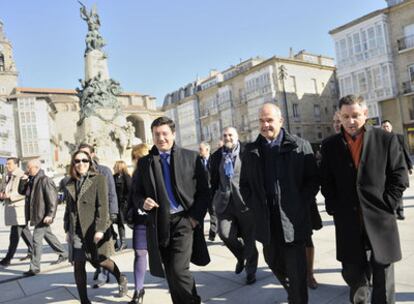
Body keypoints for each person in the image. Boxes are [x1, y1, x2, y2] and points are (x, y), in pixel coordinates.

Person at [320, 95, 408, 304]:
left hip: (380, 222)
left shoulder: (385, 139)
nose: (351, 121)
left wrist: (388, 204)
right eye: (346, 116)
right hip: (348, 224)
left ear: (365, 114)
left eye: (356, 115)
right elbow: (326, 181)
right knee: (355, 281)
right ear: (339, 117)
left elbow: (400, 175)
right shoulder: (329, 145)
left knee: (384, 284)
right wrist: (334, 207)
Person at [240, 103, 319, 304]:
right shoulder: (250, 151)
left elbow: (313, 180)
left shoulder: (300, 145)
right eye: (261, 121)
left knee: (297, 272)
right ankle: (294, 292)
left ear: (281, 121)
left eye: (269, 120)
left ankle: (297, 296)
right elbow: (245, 185)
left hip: (294, 221)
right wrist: (255, 205)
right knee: (273, 261)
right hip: (267, 222)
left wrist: (300, 203)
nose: (265, 125)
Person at [131, 116, 210, 304]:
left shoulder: (191, 157)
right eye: (156, 134)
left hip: (184, 220)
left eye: (165, 133)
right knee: (170, 272)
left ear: (173, 134)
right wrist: (143, 202)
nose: (161, 138)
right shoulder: (145, 163)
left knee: (179, 269)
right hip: (159, 224)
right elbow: (135, 194)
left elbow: (205, 192)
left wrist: (193, 219)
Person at [63, 150, 128, 304]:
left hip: (94, 229)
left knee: (100, 261)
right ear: (73, 164)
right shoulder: (70, 182)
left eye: (84, 161)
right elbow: (68, 209)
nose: (81, 164)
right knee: (78, 264)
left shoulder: (99, 179)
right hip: (77, 231)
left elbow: (102, 206)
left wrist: (100, 229)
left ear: (90, 162)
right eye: (77, 161)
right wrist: (67, 229)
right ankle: (84, 300)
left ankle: (120, 277)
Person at [210, 127, 258, 285]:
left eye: (230, 135)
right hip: (224, 203)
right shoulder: (216, 156)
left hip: (245, 202)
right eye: (225, 135)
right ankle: (240, 256)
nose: (227, 138)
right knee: (224, 233)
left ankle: (251, 271)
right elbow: (214, 181)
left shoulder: (248, 152)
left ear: (237, 136)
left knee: (249, 238)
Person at [78, 143, 118, 287]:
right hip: (85, 218)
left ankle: (105, 273)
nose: (82, 157)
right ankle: (101, 269)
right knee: (89, 250)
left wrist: (113, 213)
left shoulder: (104, 171)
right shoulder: (78, 170)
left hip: (103, 215)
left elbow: (112, 193)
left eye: (86, 153)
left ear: (93, 154)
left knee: (102, 248)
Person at [18, 159, 68, 276]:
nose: (27, 170)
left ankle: (34, 267)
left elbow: (53, 199)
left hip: (42, 215)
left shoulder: (45, 180)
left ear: (36, 167)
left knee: (36, 240)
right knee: (49, 236)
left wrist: (50, 214)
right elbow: (22, 192)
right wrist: (23, 181)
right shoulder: (32, 179)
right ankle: (64, 253)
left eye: (29, 168)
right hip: (37, 214)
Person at [127, 143, 150, 304]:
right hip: (140, 219)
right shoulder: (135, 174)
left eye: (138, 157)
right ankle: (138, 289)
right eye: (134, 158)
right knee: (140, 253)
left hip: (156, 219)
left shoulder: (155, 170)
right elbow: (132, 195)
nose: (135, 160)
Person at [0, 157, 33, 266]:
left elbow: (24, 192)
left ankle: (8, 258)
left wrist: (9, 195)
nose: (7, 166)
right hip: (13, 209)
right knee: (25, 233)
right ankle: (34, 251)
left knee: (14, 235)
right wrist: (3, 195)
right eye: (6, 164)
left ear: (16, 164)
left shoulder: (21, 175)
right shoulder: (8, 176)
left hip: (18, 210)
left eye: (9, 164)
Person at [381, 119, 413, 220]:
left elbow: (405, 152)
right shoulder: (380, 140)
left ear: (391, 127)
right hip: (386, 171)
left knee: (398, 190)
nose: (386, 128)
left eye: (387, 126)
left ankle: (400, 211)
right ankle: (393, 211)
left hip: (399, 169)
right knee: (389, 190)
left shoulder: (399, 138)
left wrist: (409, 166)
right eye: (384, 127)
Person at [199, 141, 217, 241]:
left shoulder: (214, 159)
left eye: (201, 149)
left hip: (213, 191)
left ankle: (212, 234)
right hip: (202, 192)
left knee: (213, 213)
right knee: (200, 213)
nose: (199, 151)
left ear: (207, 150)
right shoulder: (198, 160)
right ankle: (199, 235)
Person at [113, 160, 132, 251]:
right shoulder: (114, 177)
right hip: (116, 203)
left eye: (116, 166)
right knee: (119, 223)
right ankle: (122, 242)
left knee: (128, 222)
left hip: (124, 204)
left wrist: (125, 202)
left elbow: (130, 190)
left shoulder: (126, 177)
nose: (114, 167)